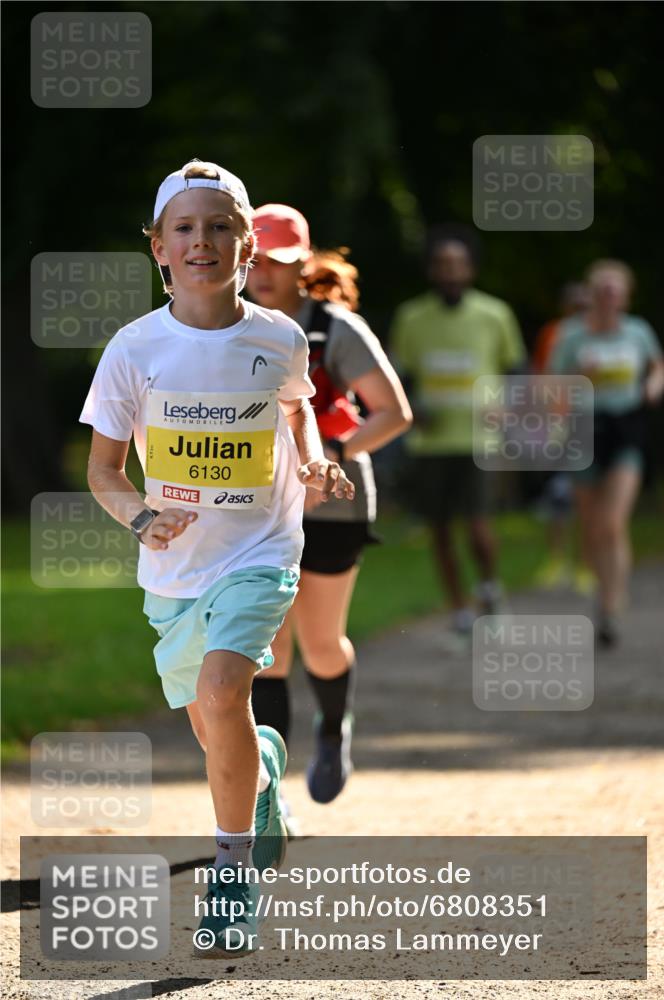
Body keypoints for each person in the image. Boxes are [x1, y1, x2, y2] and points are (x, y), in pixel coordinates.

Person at [79, 161, 354, 956]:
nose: (203, 240)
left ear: (247, 243)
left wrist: (311, 460)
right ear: (159, 248)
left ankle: (231, 880)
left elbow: (298, 412)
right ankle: (264, 768)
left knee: (227, 683)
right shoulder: (134, 349)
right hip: (172, 571)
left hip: (262, 550)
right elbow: (103, 470)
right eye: (186, 229)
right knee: (219, 732)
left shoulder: (274, 337)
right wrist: (138, 515)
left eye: (221, 226)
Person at [246, 203, 412, 804]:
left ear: (304, 264)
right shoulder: (225, 327)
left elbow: (394, 414)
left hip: (332, 505)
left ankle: (333, 726)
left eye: (280, 262)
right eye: (255, 259)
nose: (265, 274)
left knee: (319, 642)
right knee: (269, 650)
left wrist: (330, 450)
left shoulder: (335, 328)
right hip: (257, 511)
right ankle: (267, 790)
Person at [389, 225, 525, 636]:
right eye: (442, 265)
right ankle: (459, 608)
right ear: (432, 270)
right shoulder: (411, 317)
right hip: (431, 442)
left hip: (479, 440)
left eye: (457, 265)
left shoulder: (495, 314)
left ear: (470, 269)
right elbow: (398, 377)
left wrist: (507, 407)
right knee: (440, 530)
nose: (450, 272)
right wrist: (411, 409)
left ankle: (489, 585)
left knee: (479, 525)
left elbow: (516, 370)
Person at [549, 258, 664, 646]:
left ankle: (611, 605)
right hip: (584, 431)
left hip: (625, 429)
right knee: (594, 526)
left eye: (615, 291)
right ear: (591, 294)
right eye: (602, 291)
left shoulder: (637, 332)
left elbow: (657, 365)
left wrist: (653, 385)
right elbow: (554, 383)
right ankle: (605, 590)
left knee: (613, 522)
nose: (608, 298)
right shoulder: (572, 336)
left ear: (625, 296)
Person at [531, 282, 596, 594]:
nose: (580, 311)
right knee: (557, 495)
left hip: (593, 424)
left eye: (585, 305)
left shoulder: (600, 335)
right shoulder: (553, 334)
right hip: (559, 423)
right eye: (575, 305)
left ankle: (585, 563)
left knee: (587, 497)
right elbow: (542, 377)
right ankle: (557, 560)